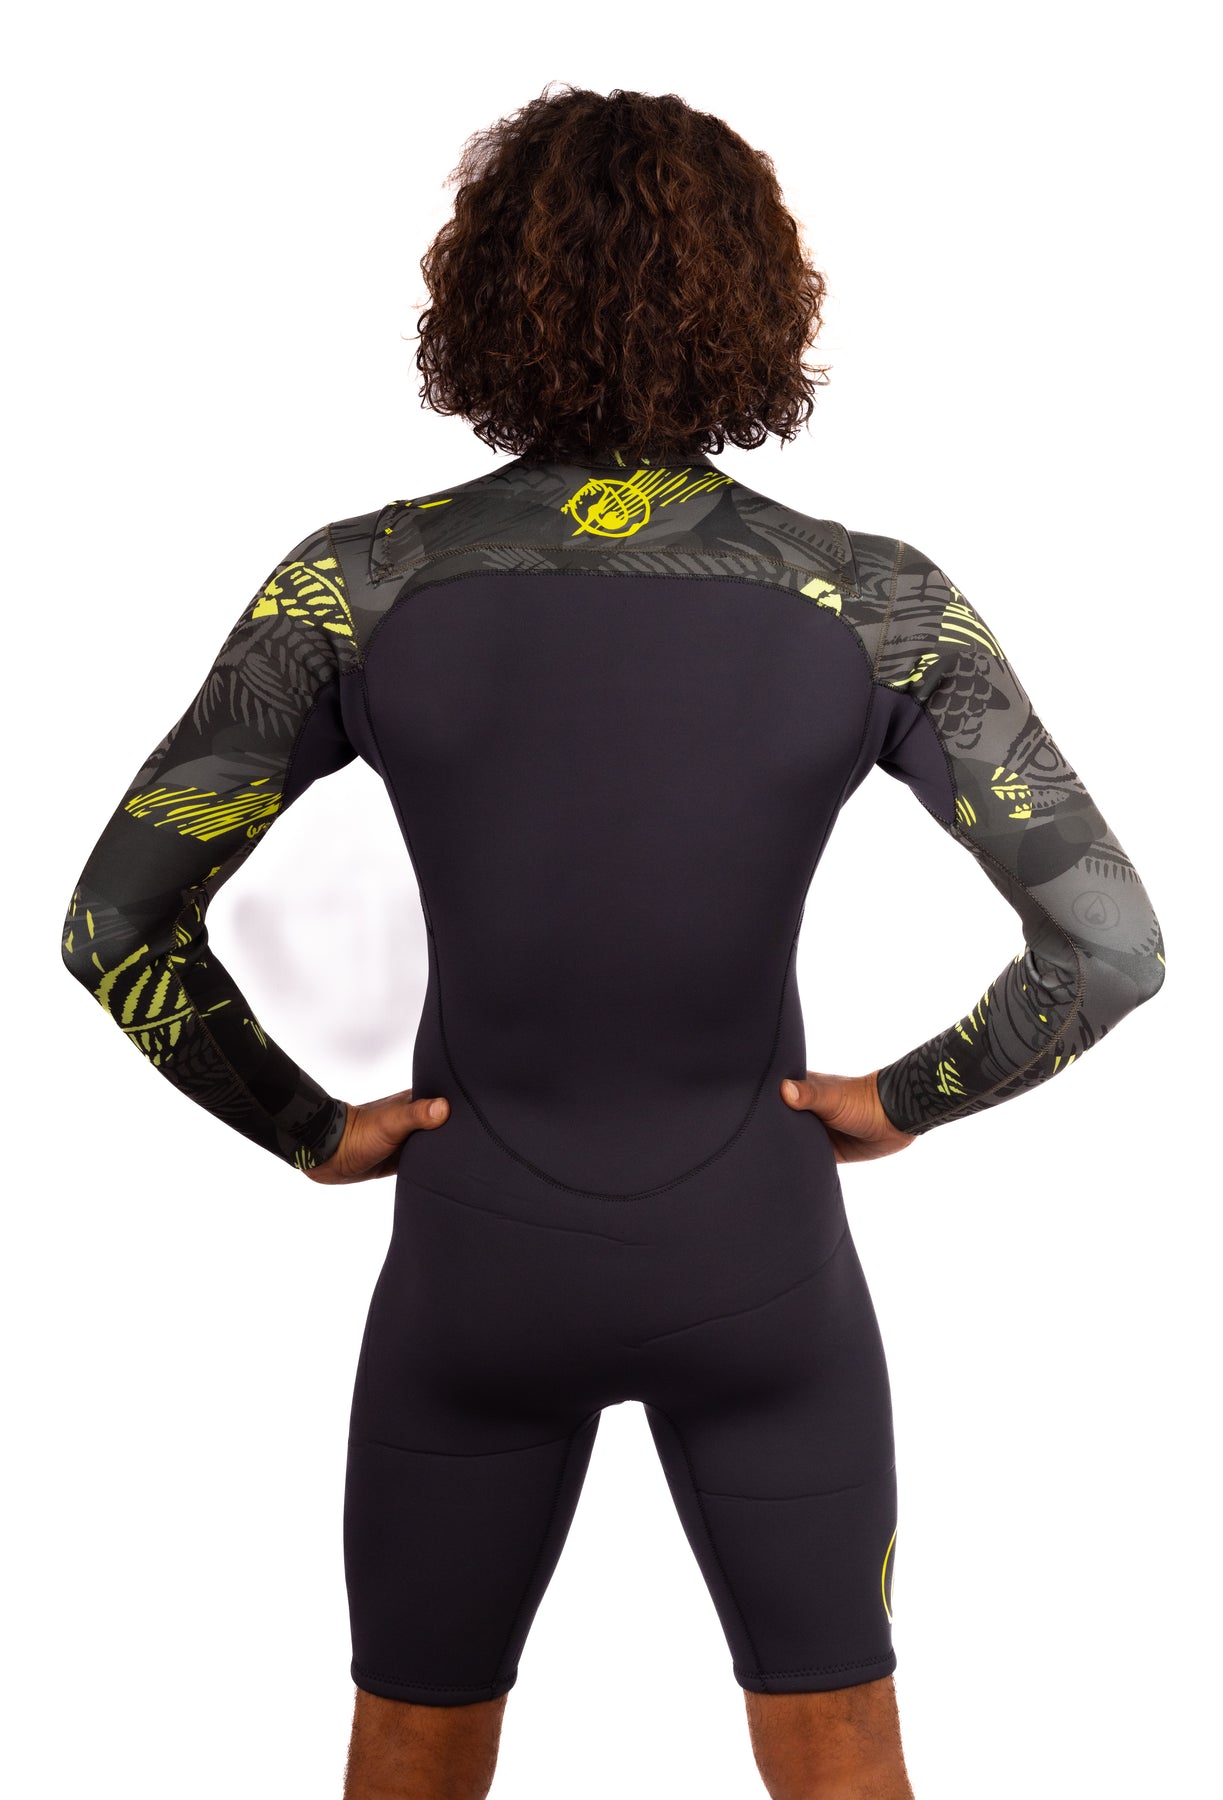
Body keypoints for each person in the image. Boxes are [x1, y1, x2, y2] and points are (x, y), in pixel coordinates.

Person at [60, 81, 1166, 1800]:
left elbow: (115, 919)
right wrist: (902, 1100)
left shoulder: (360, 586)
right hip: (761, 1257)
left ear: (482, 300)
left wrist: (310, 1127)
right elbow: (1105, 947)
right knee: (843, 1746)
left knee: (411, 1750)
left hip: (475, 1263)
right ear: (761, 302)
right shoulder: (867, 597)